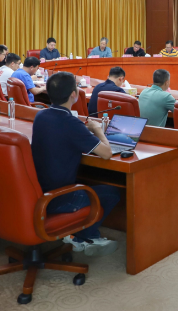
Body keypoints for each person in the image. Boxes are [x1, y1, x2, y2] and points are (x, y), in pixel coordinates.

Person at [31, 71, 120, 256]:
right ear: (74, 94)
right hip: (58, 198)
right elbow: (106, 153)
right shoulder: (71, 123)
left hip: (38, 191)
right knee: (112, 192)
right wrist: (97, 129)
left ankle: (79, 233)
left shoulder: (41, 116)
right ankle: (86, 237)